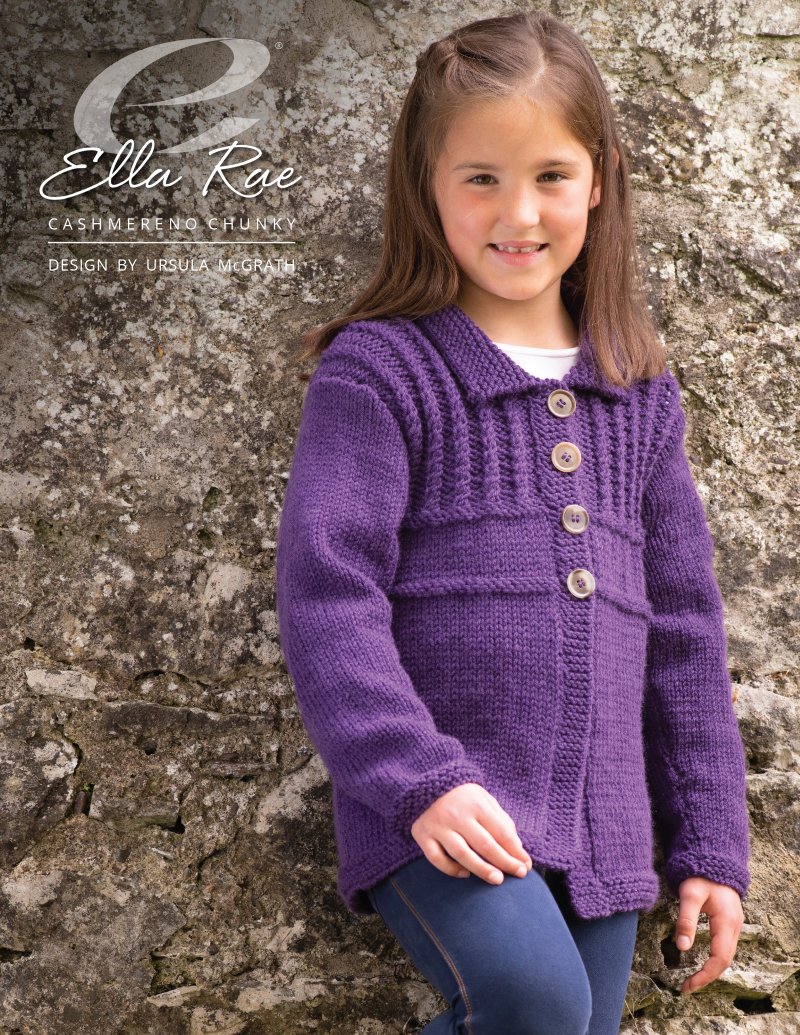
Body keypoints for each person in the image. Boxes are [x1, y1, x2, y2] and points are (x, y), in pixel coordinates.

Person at [275, 11, 750, 1034]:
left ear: (599, 180)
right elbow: (327, 592)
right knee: (534, 1001)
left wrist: (710, 844)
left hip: (604, 818)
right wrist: (418, 781)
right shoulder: (383, 370)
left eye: (550, 176)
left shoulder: (638, 393)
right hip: (441, 802)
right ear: (426, 184)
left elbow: (683, 631)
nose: (518, 211)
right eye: (480, 178)